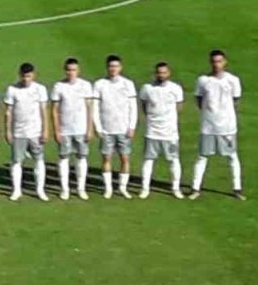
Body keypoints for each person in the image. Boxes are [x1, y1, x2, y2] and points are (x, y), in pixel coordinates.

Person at [191, 49, 244, 200]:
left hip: (227, 127)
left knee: (232, 157)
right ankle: (195, 188)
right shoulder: (203, 80)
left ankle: (237, 189)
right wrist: (210, 114)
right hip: (208, 126)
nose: (217, 65)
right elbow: (199, 100)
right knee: (202, 156)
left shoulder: (233, 80)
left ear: (225, 62)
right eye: (214, 62)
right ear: (210, 63)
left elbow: (235, 100)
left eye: (219, 61)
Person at [93, 54, 137, 199]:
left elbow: (133, 107)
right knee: (106, 158)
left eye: (116, 66)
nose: (113, 69)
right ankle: (108, 188)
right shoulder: (100, 84)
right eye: (111, 66)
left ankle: (123, 188)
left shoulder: (127, 84)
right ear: (107, 67)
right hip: (107, 129)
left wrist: (132, 126)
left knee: (125, 158)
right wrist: (98, 127)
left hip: (123, 129)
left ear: (120, 67)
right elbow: (95, 107)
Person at [5, 62, 49, 202]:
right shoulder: (12, 89)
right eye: (24, 76)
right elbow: (8, 112)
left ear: (33, 75)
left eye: (29, 76)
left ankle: (40, 190)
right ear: (20, 75)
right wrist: (8, 131)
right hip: (19, 132)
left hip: (35, 132)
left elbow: (44, 110)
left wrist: (46, 130)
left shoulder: (40, 89)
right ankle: (17, 190)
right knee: (17, 161)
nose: (26, 79)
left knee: (39, 160)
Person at [51, 57, 94, 200]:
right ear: (65, 71)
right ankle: (65, 189)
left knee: (81, 157)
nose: (71, 73)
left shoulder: (86, 85)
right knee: (64, 157)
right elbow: (54, 110)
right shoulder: (58, 86)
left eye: (74, 70)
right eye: (69, 70)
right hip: (65, 129)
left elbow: (89, 108)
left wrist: (90, 128)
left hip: (81, 129)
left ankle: (81, 188)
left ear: (78, 70)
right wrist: (57, 130)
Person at [139, 62, 184, 199]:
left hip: (170, 133)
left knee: (174, 160)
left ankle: (176, 188)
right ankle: (145, 188)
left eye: (164, 72)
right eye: (159, 72)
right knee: (149, 159)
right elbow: (144, 105)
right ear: (155, 73)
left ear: (169, 73)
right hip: (152, 131)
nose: (161, 75)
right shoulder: (147, 88)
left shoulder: (176, 88)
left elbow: (179, 107)